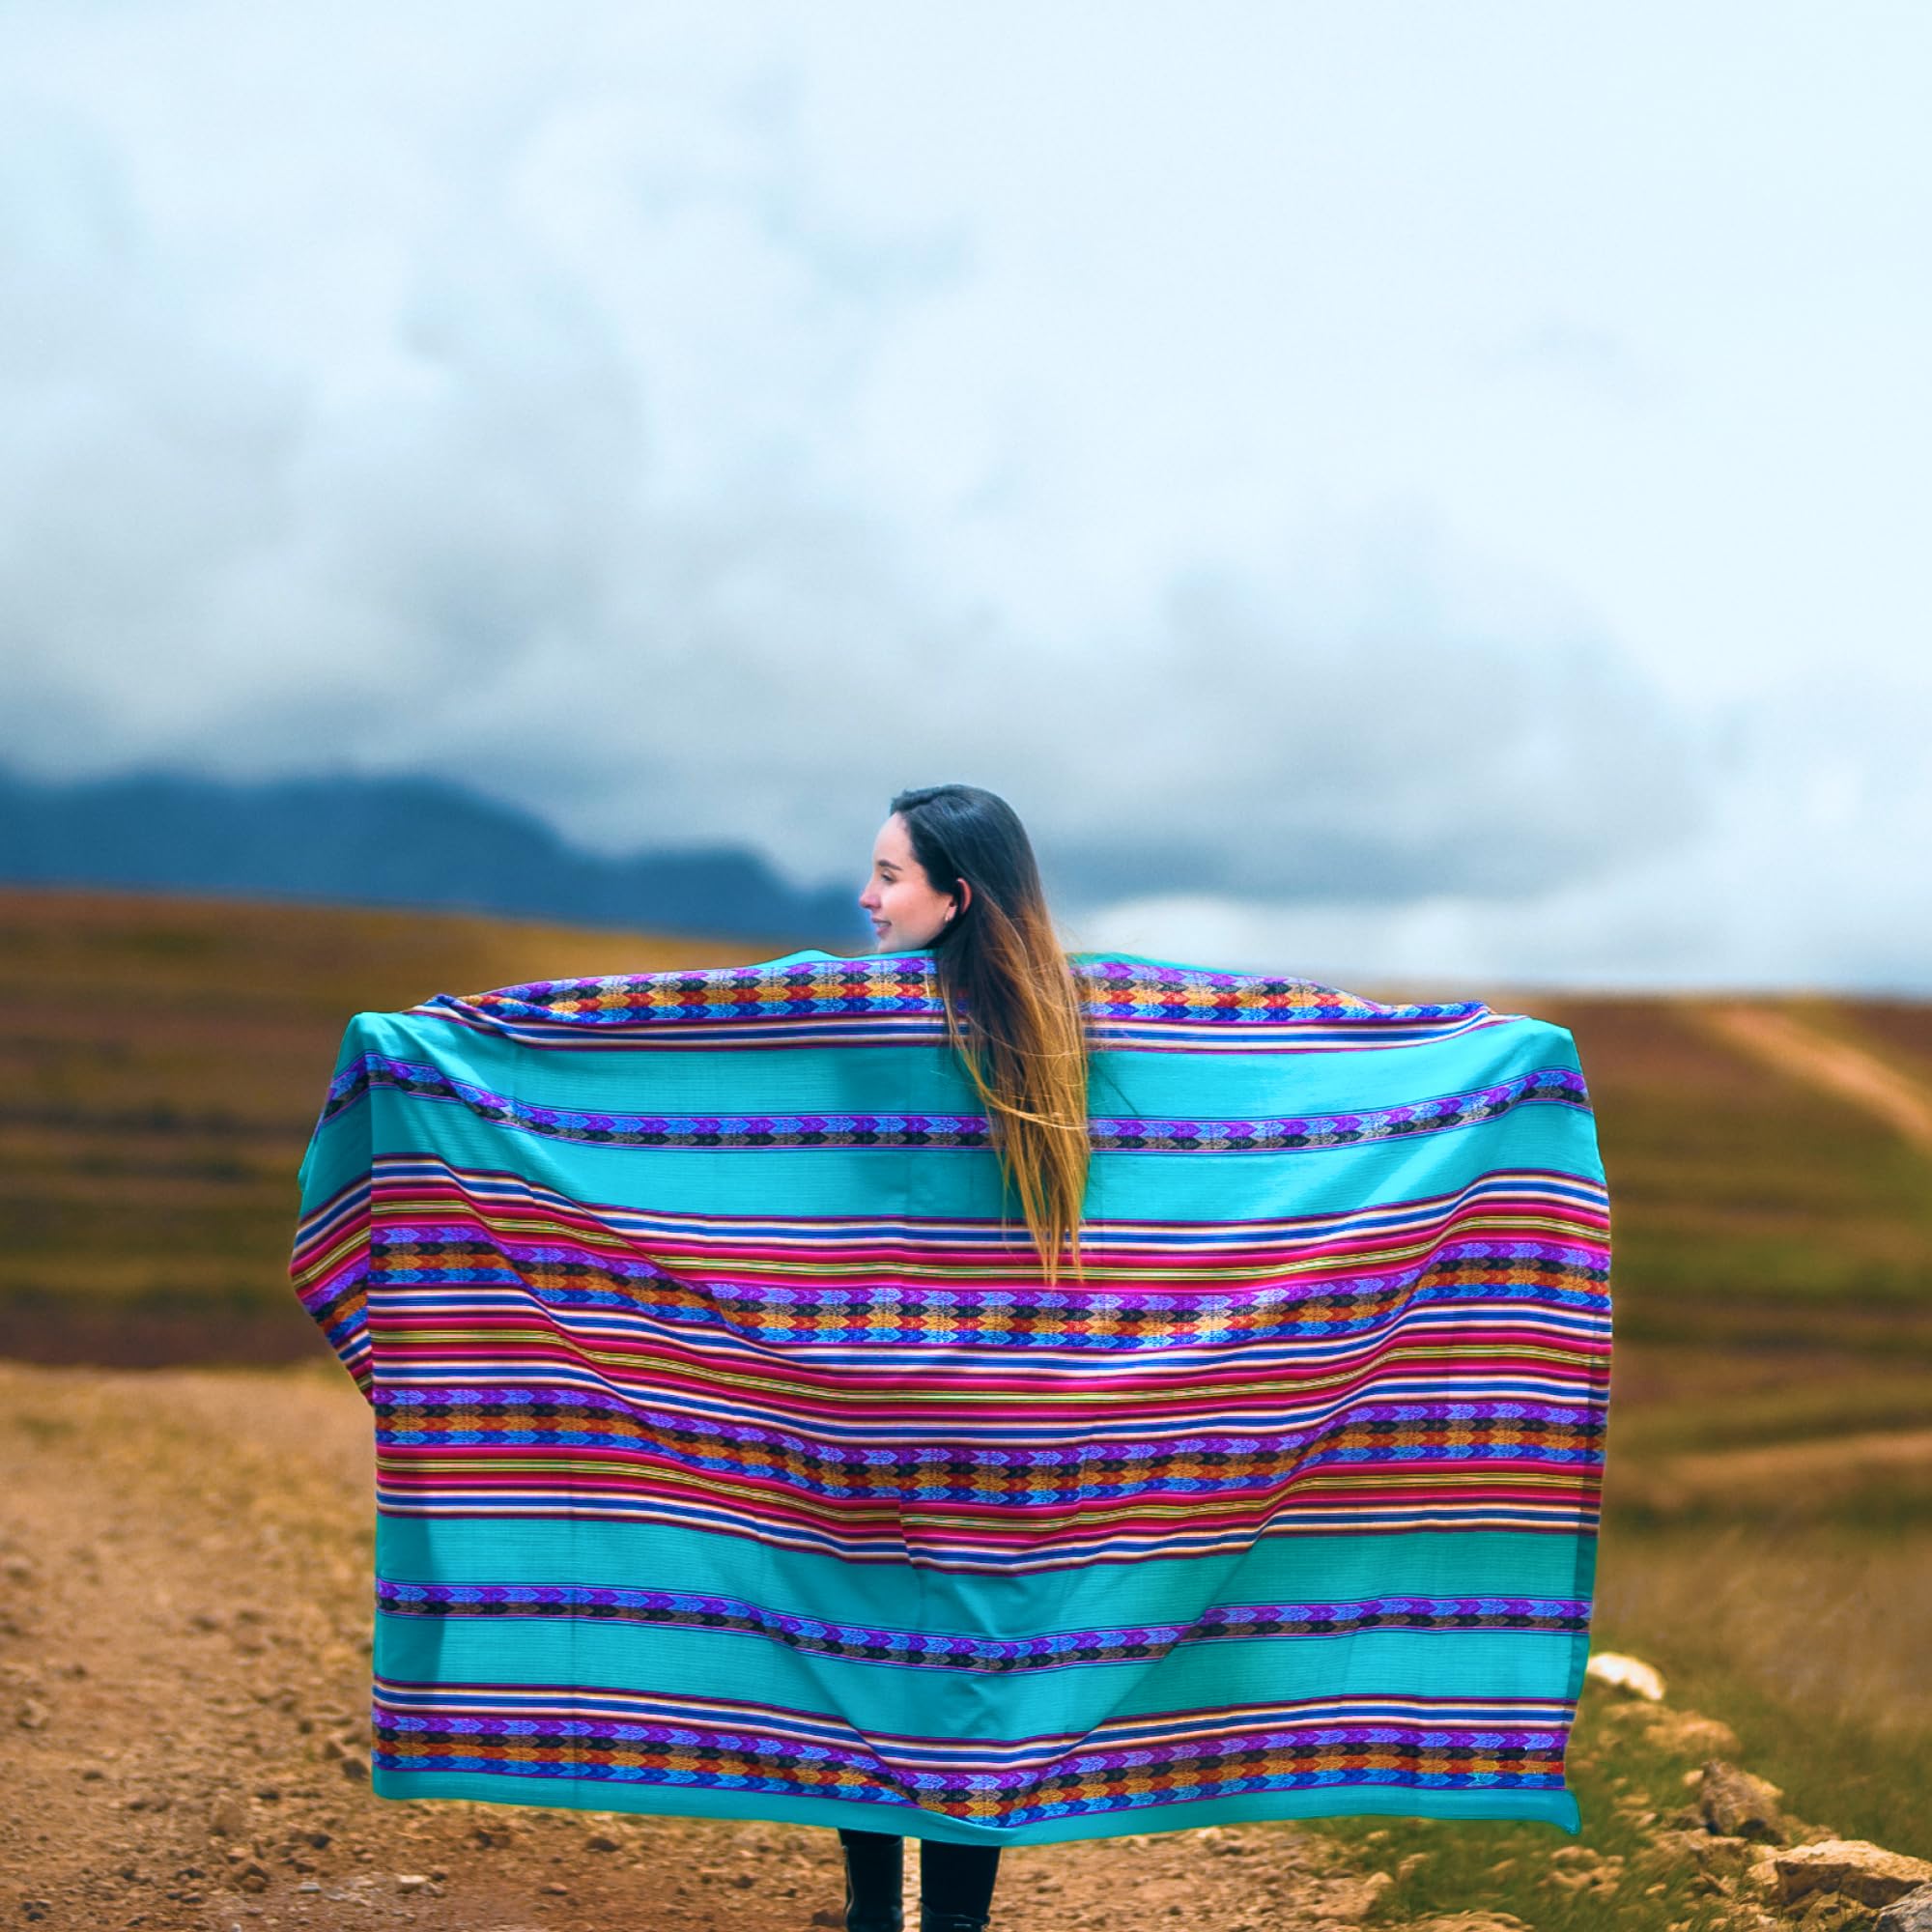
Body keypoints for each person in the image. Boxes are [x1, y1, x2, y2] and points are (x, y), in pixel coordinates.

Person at [836, 782, 1094, 1932]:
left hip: (866, 1404)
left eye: (889, 874)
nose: (867, 893)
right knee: (968, 1672)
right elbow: (1267, 1040)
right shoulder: (1083, 1023)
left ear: (956, 891)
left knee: (857, 1654)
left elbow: (673, 1038)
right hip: (1007, 1419)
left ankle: (866, 1917)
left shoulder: (846, 1014)